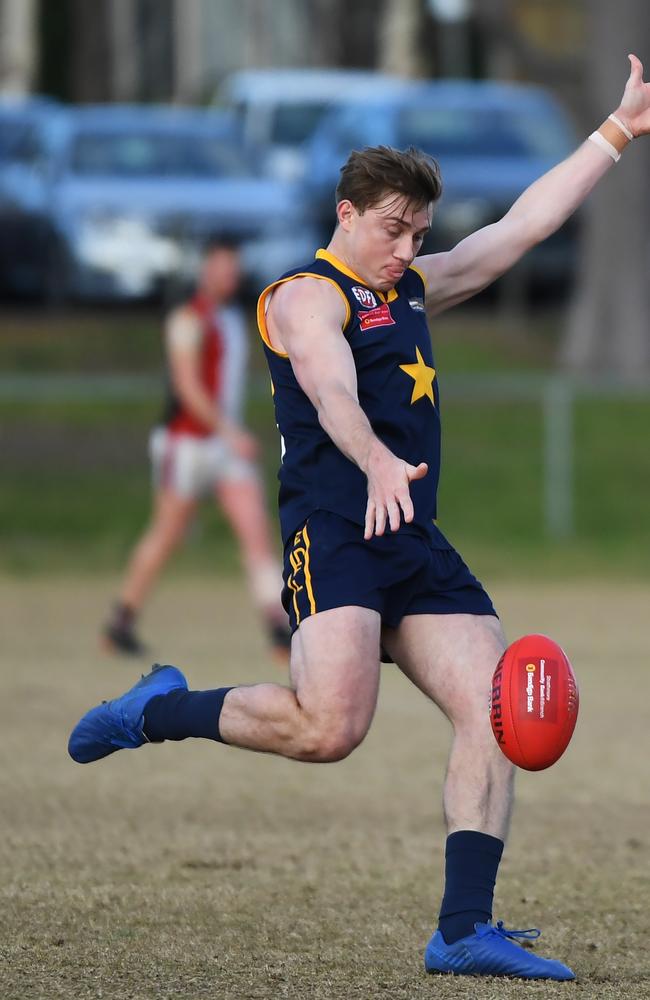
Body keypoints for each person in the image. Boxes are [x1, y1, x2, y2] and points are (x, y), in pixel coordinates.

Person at [71, 56, 650, 980]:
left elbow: (521, 228)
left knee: (494, 707)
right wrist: (377, 457)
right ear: (345, 213)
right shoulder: (305, 297)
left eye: (420, 233)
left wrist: (617, 132)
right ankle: (160, 709)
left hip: (412, 543)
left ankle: (463, 930)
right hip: (334, 533)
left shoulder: (411, 288)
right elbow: (329, 383)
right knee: (329, 730)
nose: (408, 250)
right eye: (393, 229)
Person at [102, 237, 290, 661]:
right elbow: (188, 388)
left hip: (225, 449)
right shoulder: (188, 319)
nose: (230, 275)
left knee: (256, 533)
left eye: (233, 268)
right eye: (222, 267)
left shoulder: (232, 318)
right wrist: (230, 431)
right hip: (186, 445)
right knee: (167, 534)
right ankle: (121, 621)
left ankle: (280, 629)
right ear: (205, 270)